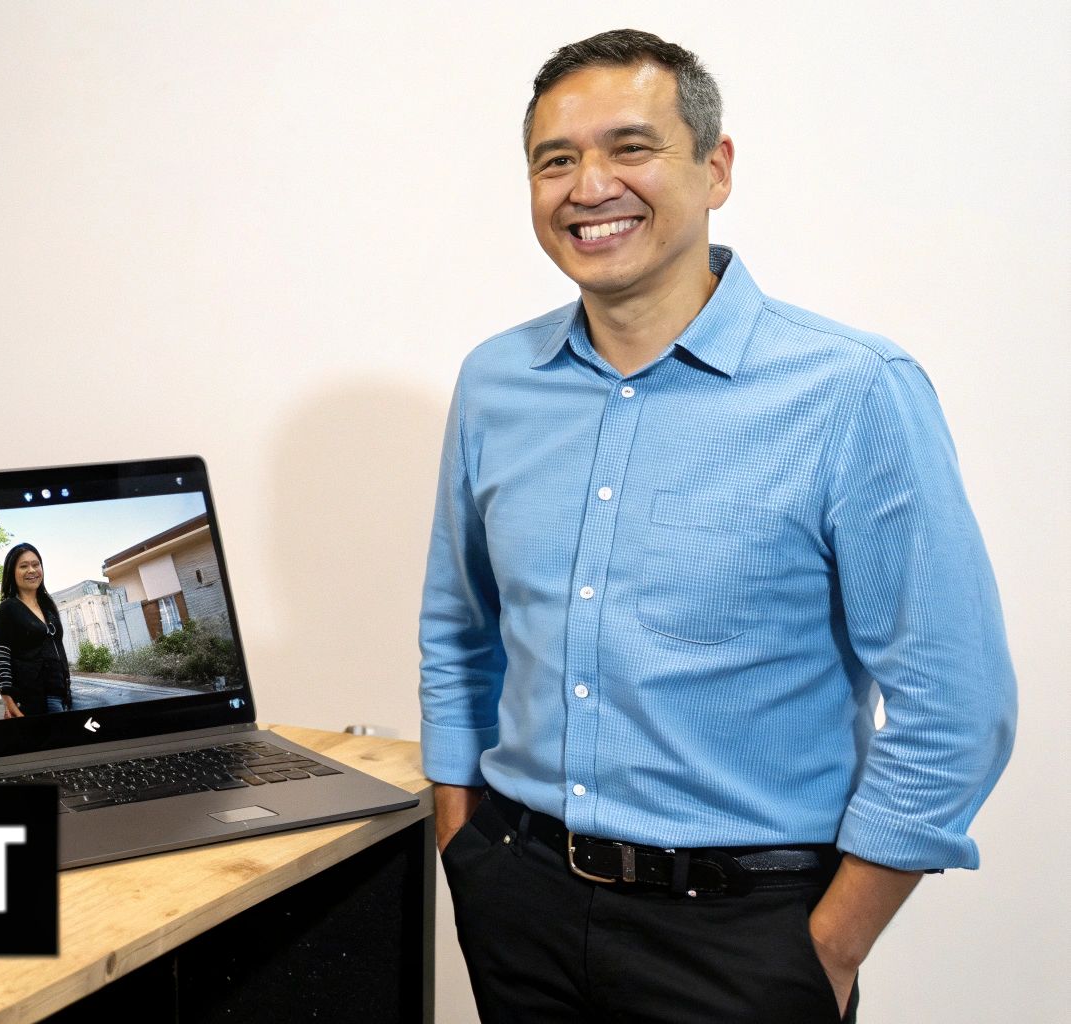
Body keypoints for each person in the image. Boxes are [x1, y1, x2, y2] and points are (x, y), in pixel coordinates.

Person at [419, 28, 1016, 1023]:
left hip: (742, 943)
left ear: (714, 168)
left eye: (629, 147)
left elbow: (957, 703)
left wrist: (826, 949)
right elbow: (458, 626)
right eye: (553, 160)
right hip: (516, 904)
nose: (587, 185)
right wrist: (462, 850)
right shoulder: (493, 383)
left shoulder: (850, 393)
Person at [0, 543, 74, 718]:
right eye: (23, 566)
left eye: (36, 564)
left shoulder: (49, 607)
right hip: (33, 699)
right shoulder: (8, 608)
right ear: (12, 572)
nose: (31, 570)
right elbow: (1, 656)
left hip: (62, 696)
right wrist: (9, 702)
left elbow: (59, 649)